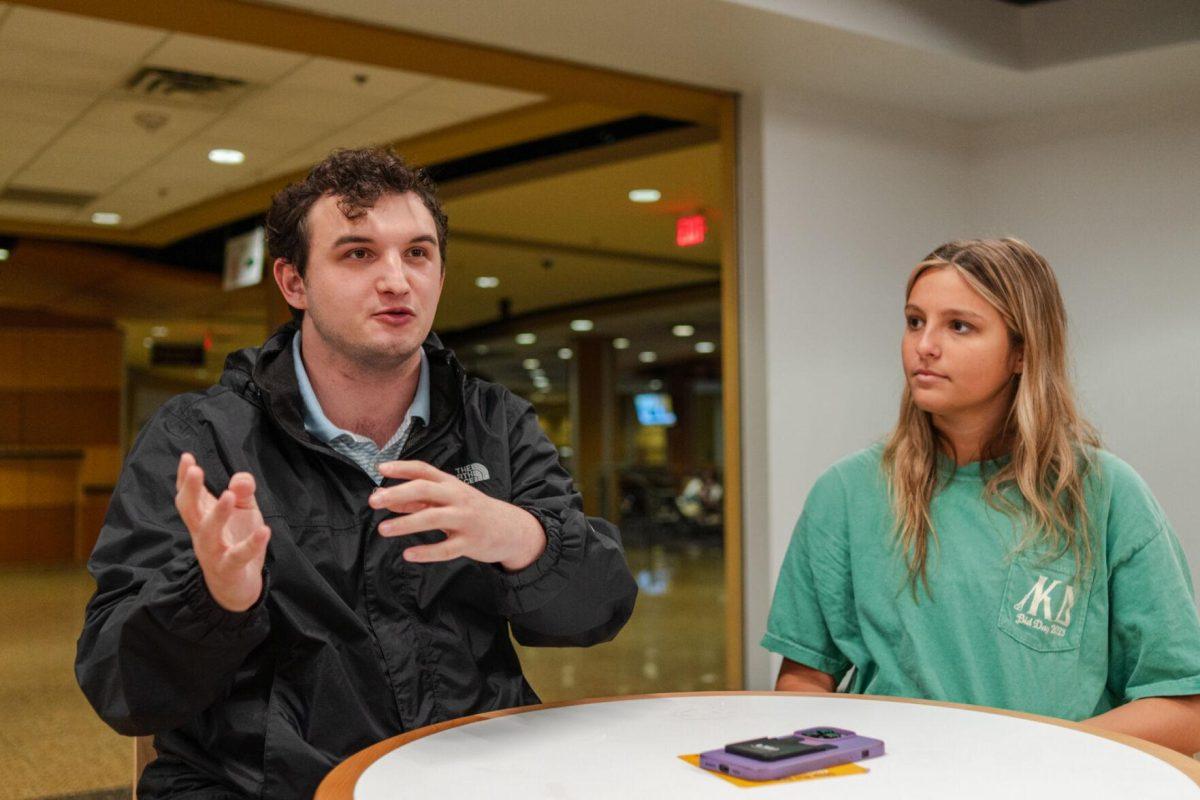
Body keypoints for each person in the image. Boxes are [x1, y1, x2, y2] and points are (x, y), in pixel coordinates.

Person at [75, 147, 638, 799]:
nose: (397, 280)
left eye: (418, 253)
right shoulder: (201, 439)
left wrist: (519, 538)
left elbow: (599, 610)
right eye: (358, 253)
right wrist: (215, 597)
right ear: (293, 282)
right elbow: (121, 689)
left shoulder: (497, 423)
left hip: (472, 775)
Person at [763, 238, 1200, 753]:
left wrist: (1029, 758)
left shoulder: (1103, 494)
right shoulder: (845, 493)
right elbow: (804, 679)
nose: (925, 345)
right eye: (914, 321)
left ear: (1021, 351)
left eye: (959, 326)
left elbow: (1184, 707)